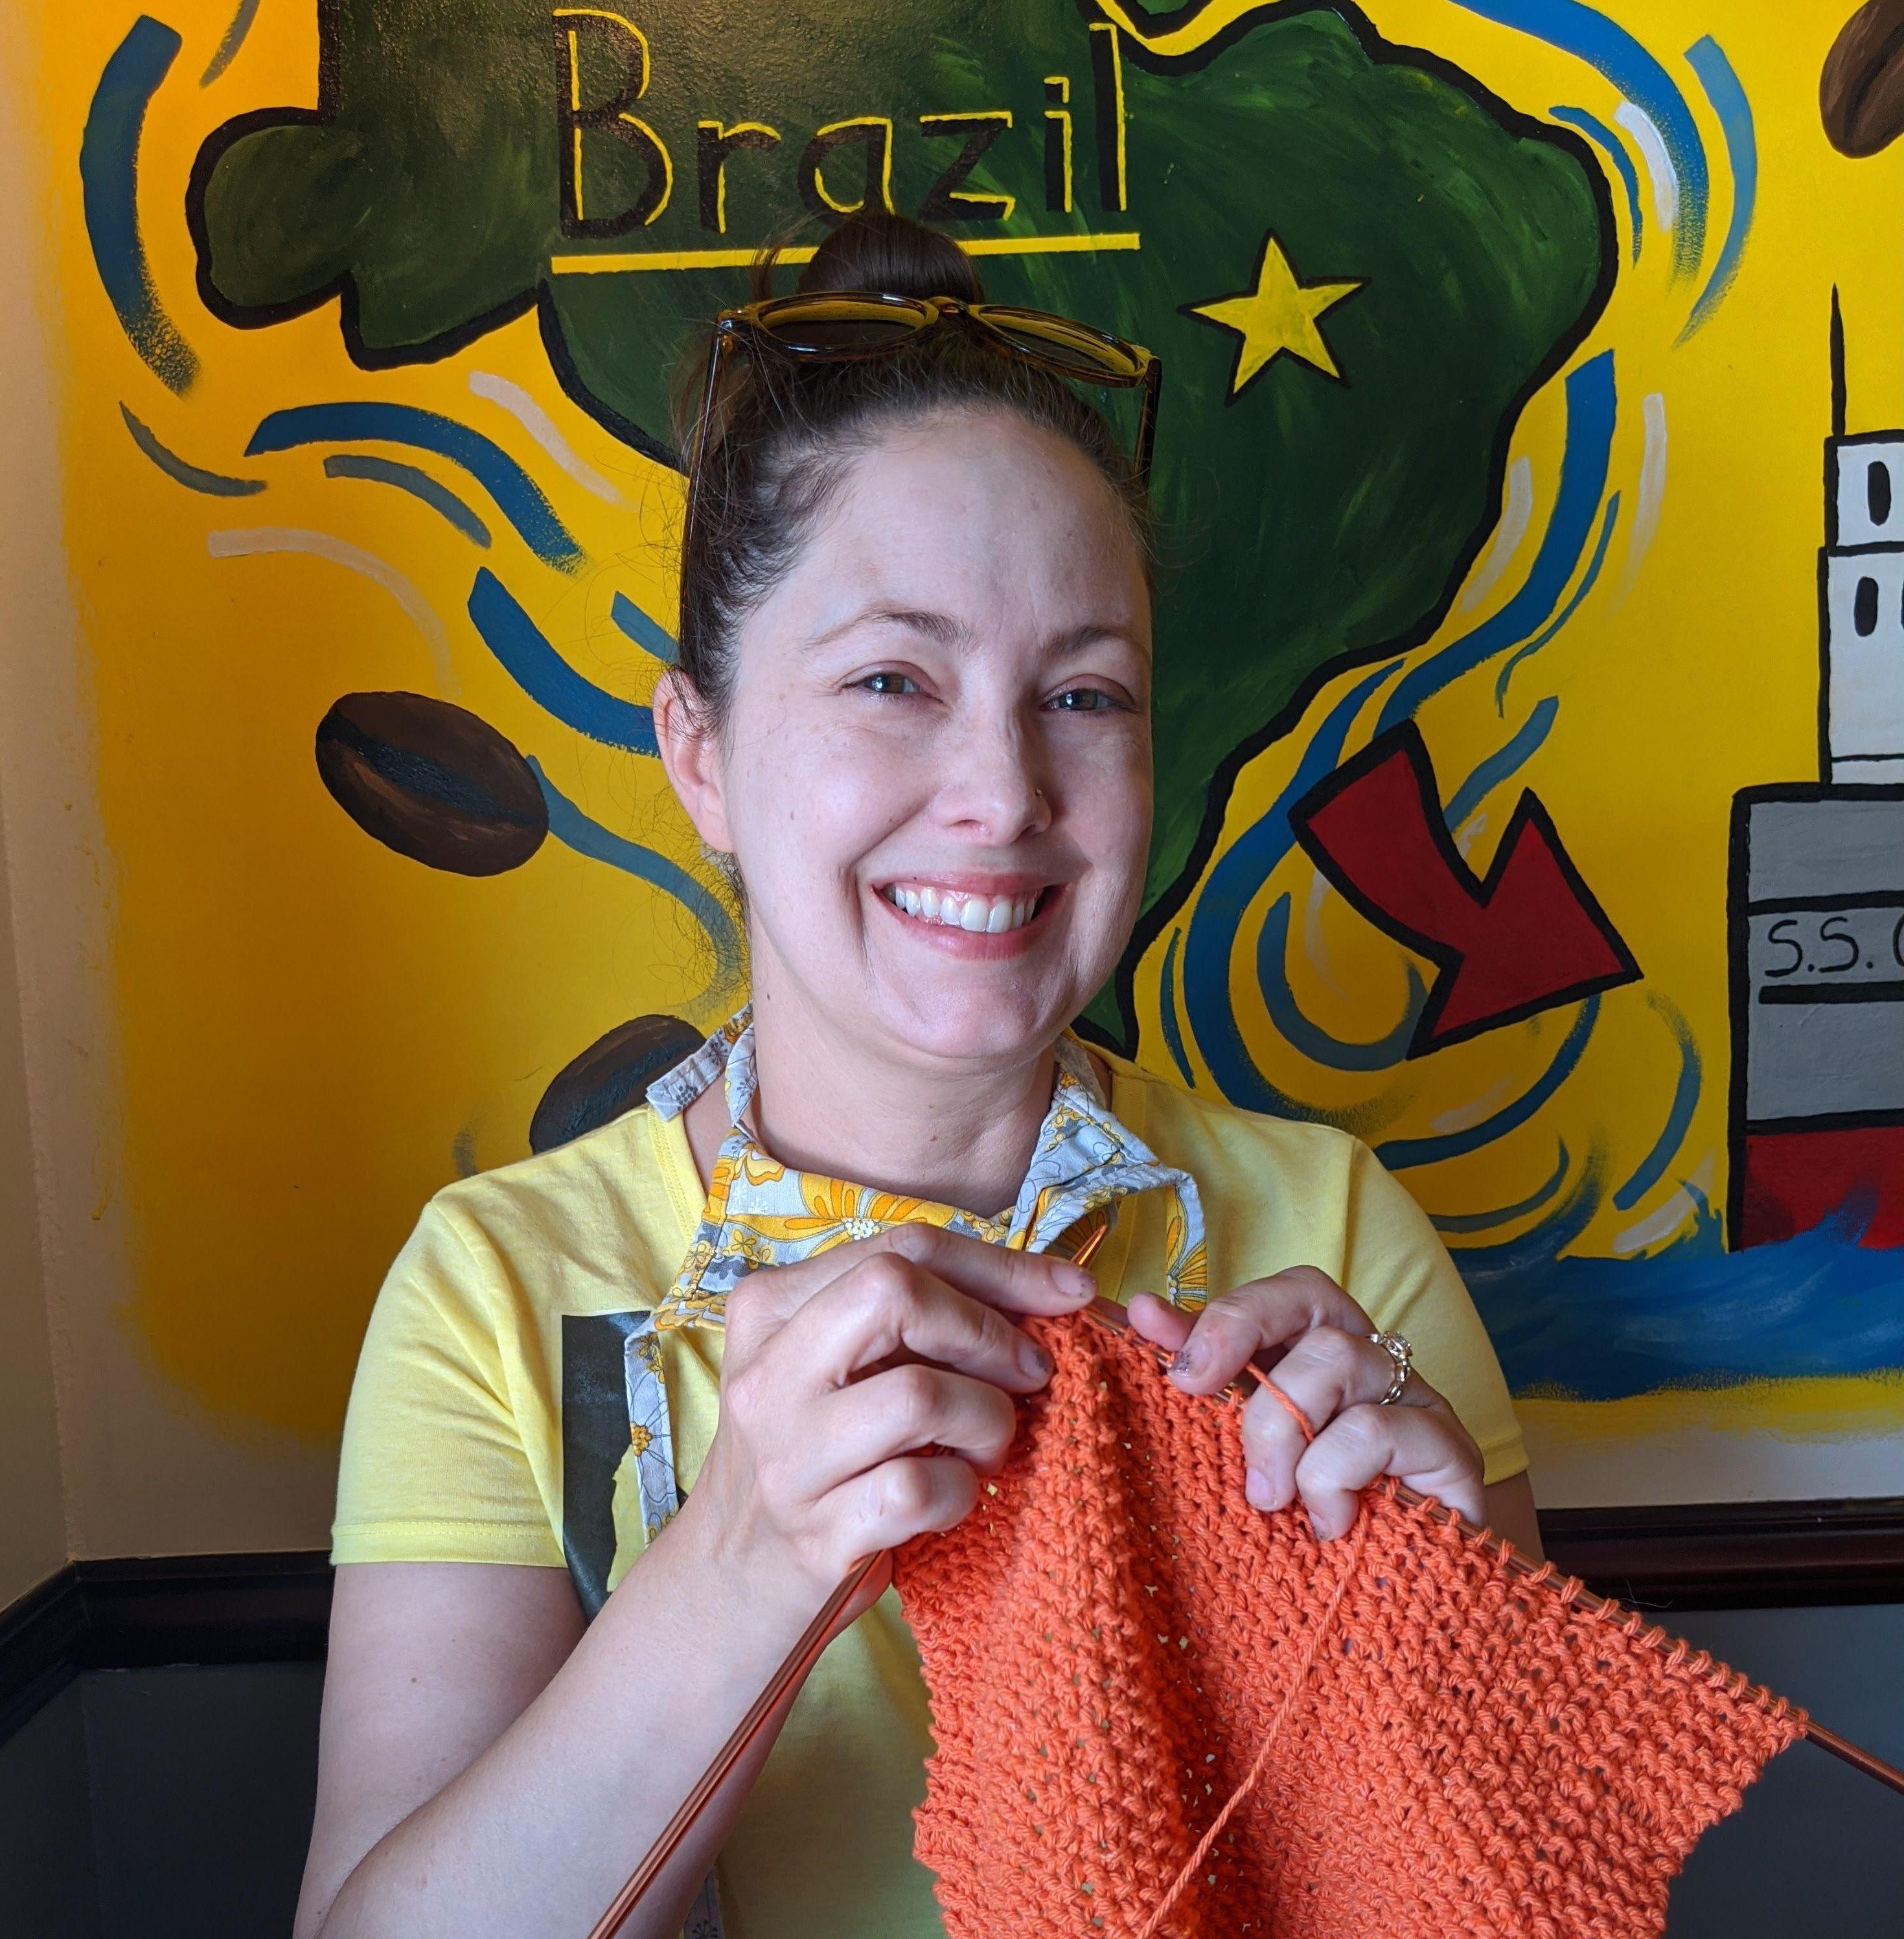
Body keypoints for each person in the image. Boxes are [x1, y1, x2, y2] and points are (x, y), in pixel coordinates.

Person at [293, 210, 1537, 1939]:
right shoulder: (497, 1293)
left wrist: (1439, 1644)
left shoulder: (1323, 1226)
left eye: (1083, 696)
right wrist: (748, 1549)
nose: (1002, 789)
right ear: (701, 755)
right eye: (891, 678)